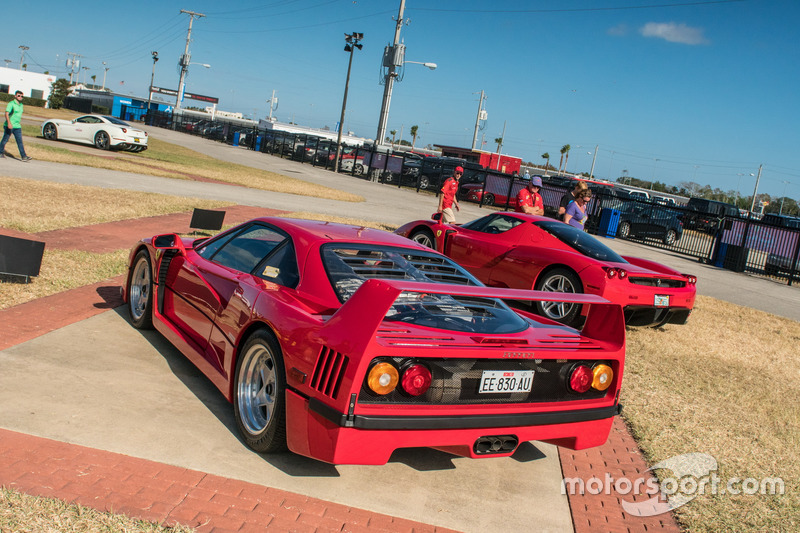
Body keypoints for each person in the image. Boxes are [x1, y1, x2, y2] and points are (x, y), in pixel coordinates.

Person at [0, 91, 31, 161]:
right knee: (5, 140)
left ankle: (24, 156)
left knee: (20, 141)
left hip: (17, 126)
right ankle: (0, 152)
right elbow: (6, 113)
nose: (20, 97)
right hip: (9, 125)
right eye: (19, 96)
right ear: (15, 96)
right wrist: (9, 123)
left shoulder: (21, 105)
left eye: (21, 96)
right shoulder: (11, 104)